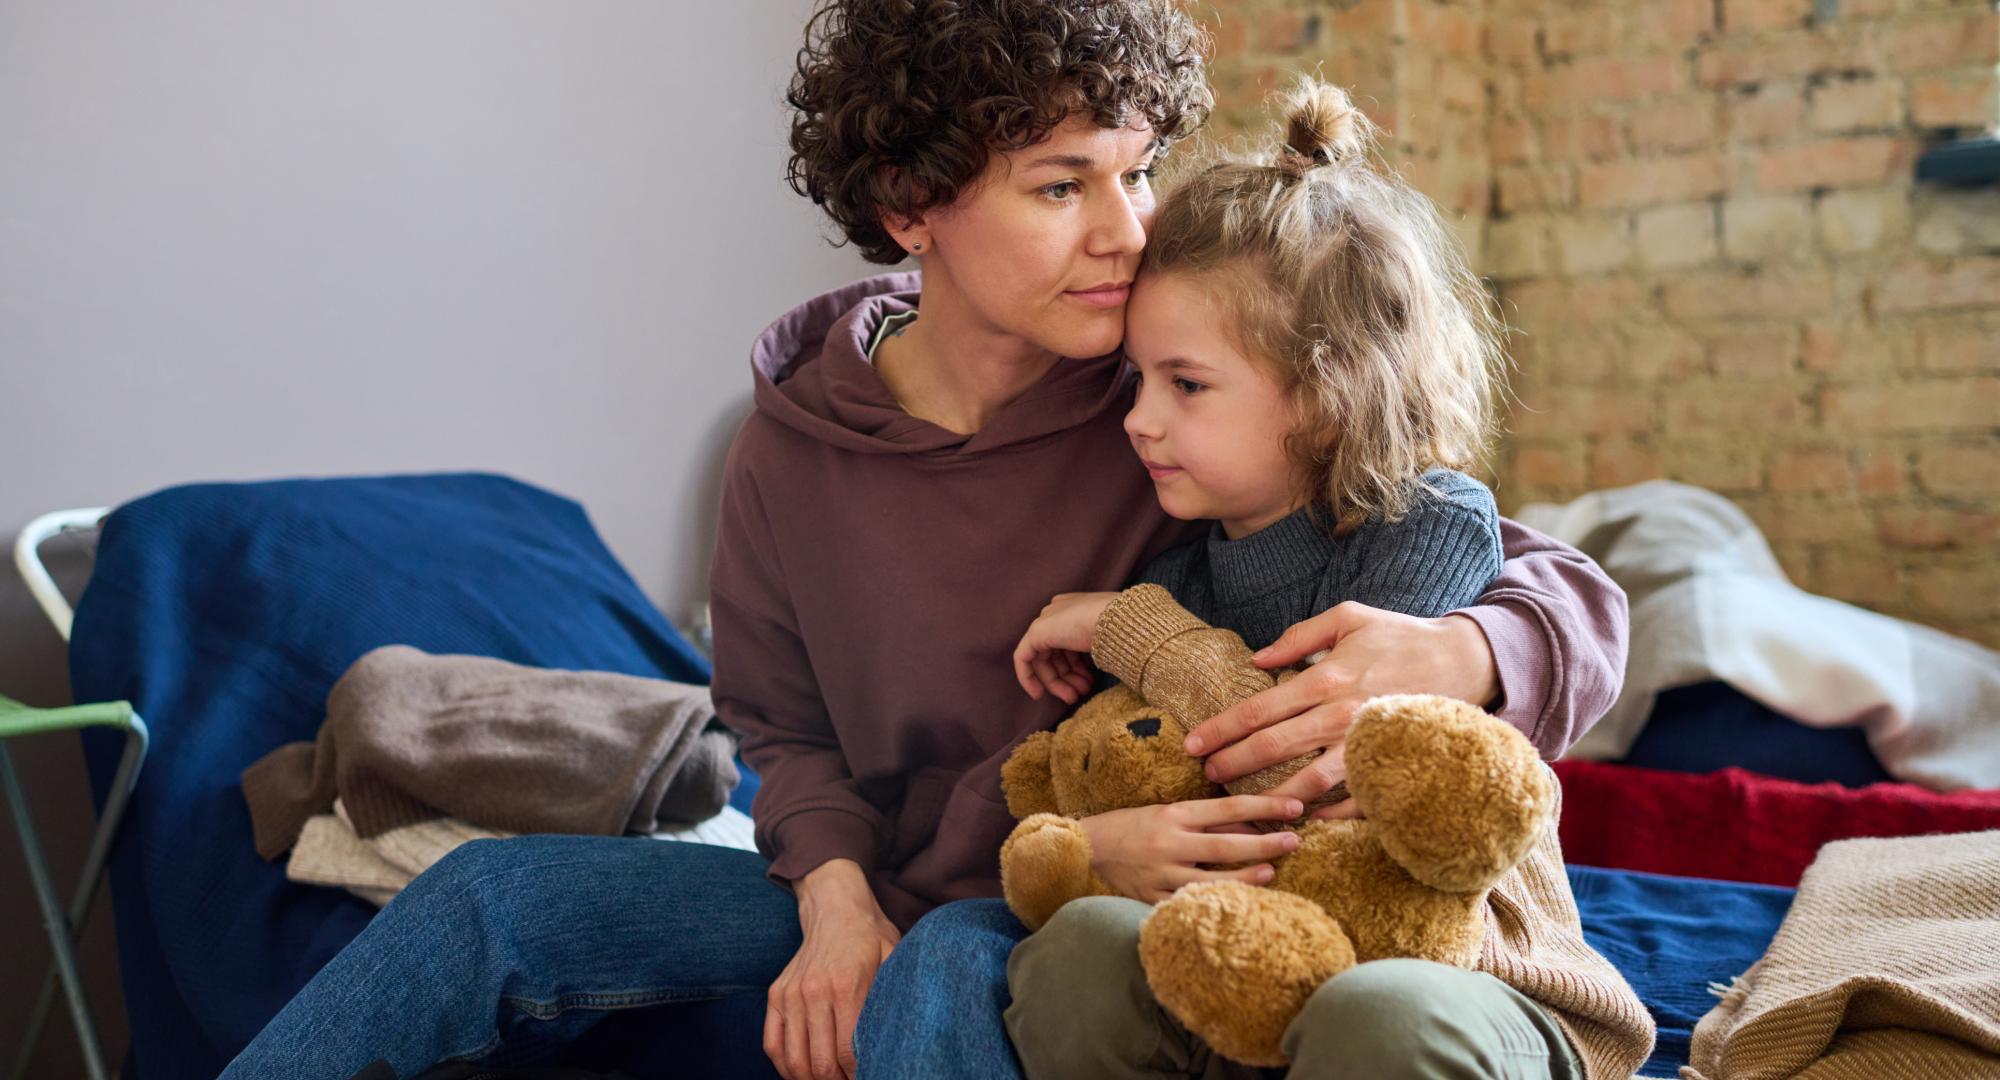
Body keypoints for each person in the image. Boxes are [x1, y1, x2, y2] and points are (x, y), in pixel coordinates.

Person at [218, 4, 1628, 1079]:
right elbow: (779, 727)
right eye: (1062, 185)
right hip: (897, 878)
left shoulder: (1174, 399)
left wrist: (1458, 651)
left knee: (946, 971)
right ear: (912, 210)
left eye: (1136, 175)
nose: (1129, 233)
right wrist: (833, 902)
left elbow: (1519, 566)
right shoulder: (789, 450)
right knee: (490, 895)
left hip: (1044, 890)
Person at [992, 79, 1652, 1080]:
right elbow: (1161, 766)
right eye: (1137, 381)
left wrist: (1134, 631)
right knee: (1073, 952)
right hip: (1247, 967)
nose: (1139, 419)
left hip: (1463, 974)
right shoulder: (1181, 571)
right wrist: (1093, 840)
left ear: (1325, 398)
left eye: (1186, 384)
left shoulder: (1422, 524)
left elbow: (1312, 775)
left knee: (1372, 1014)